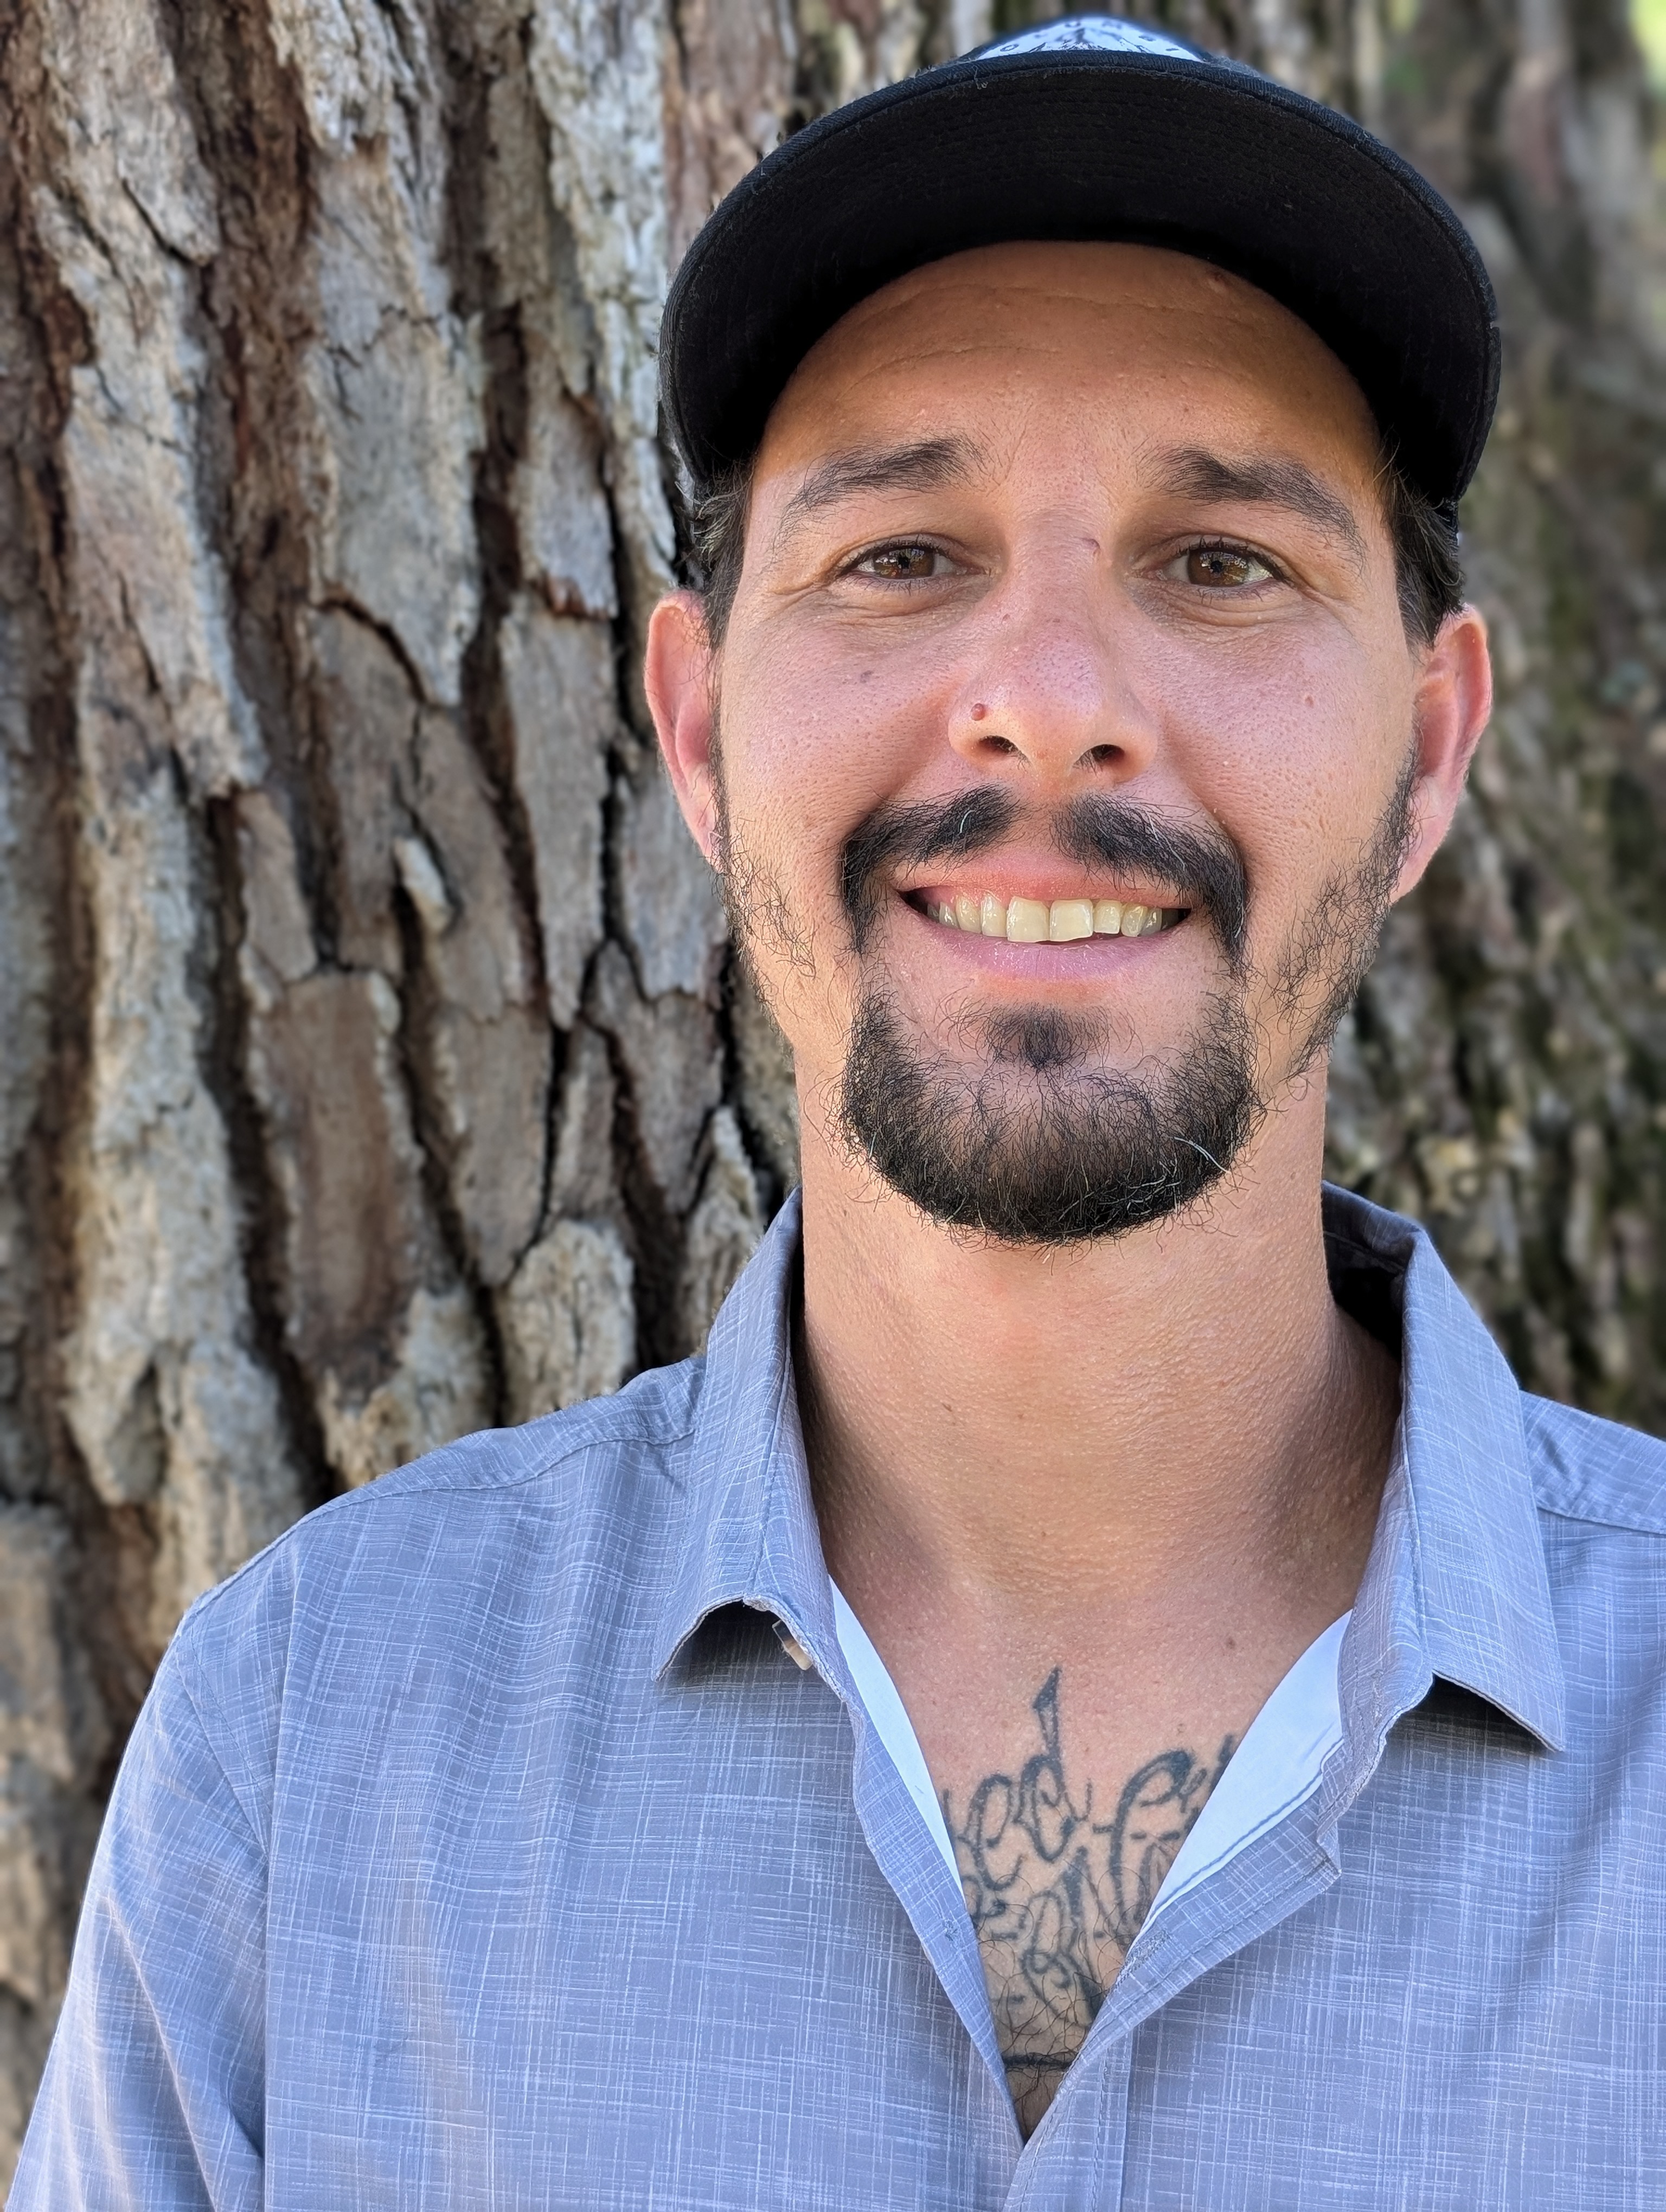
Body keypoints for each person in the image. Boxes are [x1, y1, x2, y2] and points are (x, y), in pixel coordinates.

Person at [14, 18, 1666, 2208]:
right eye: (901, 555)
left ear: (1432, 752)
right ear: (697, 732)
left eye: (1222, 561)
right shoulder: (308, 1755)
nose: (1057, 698)